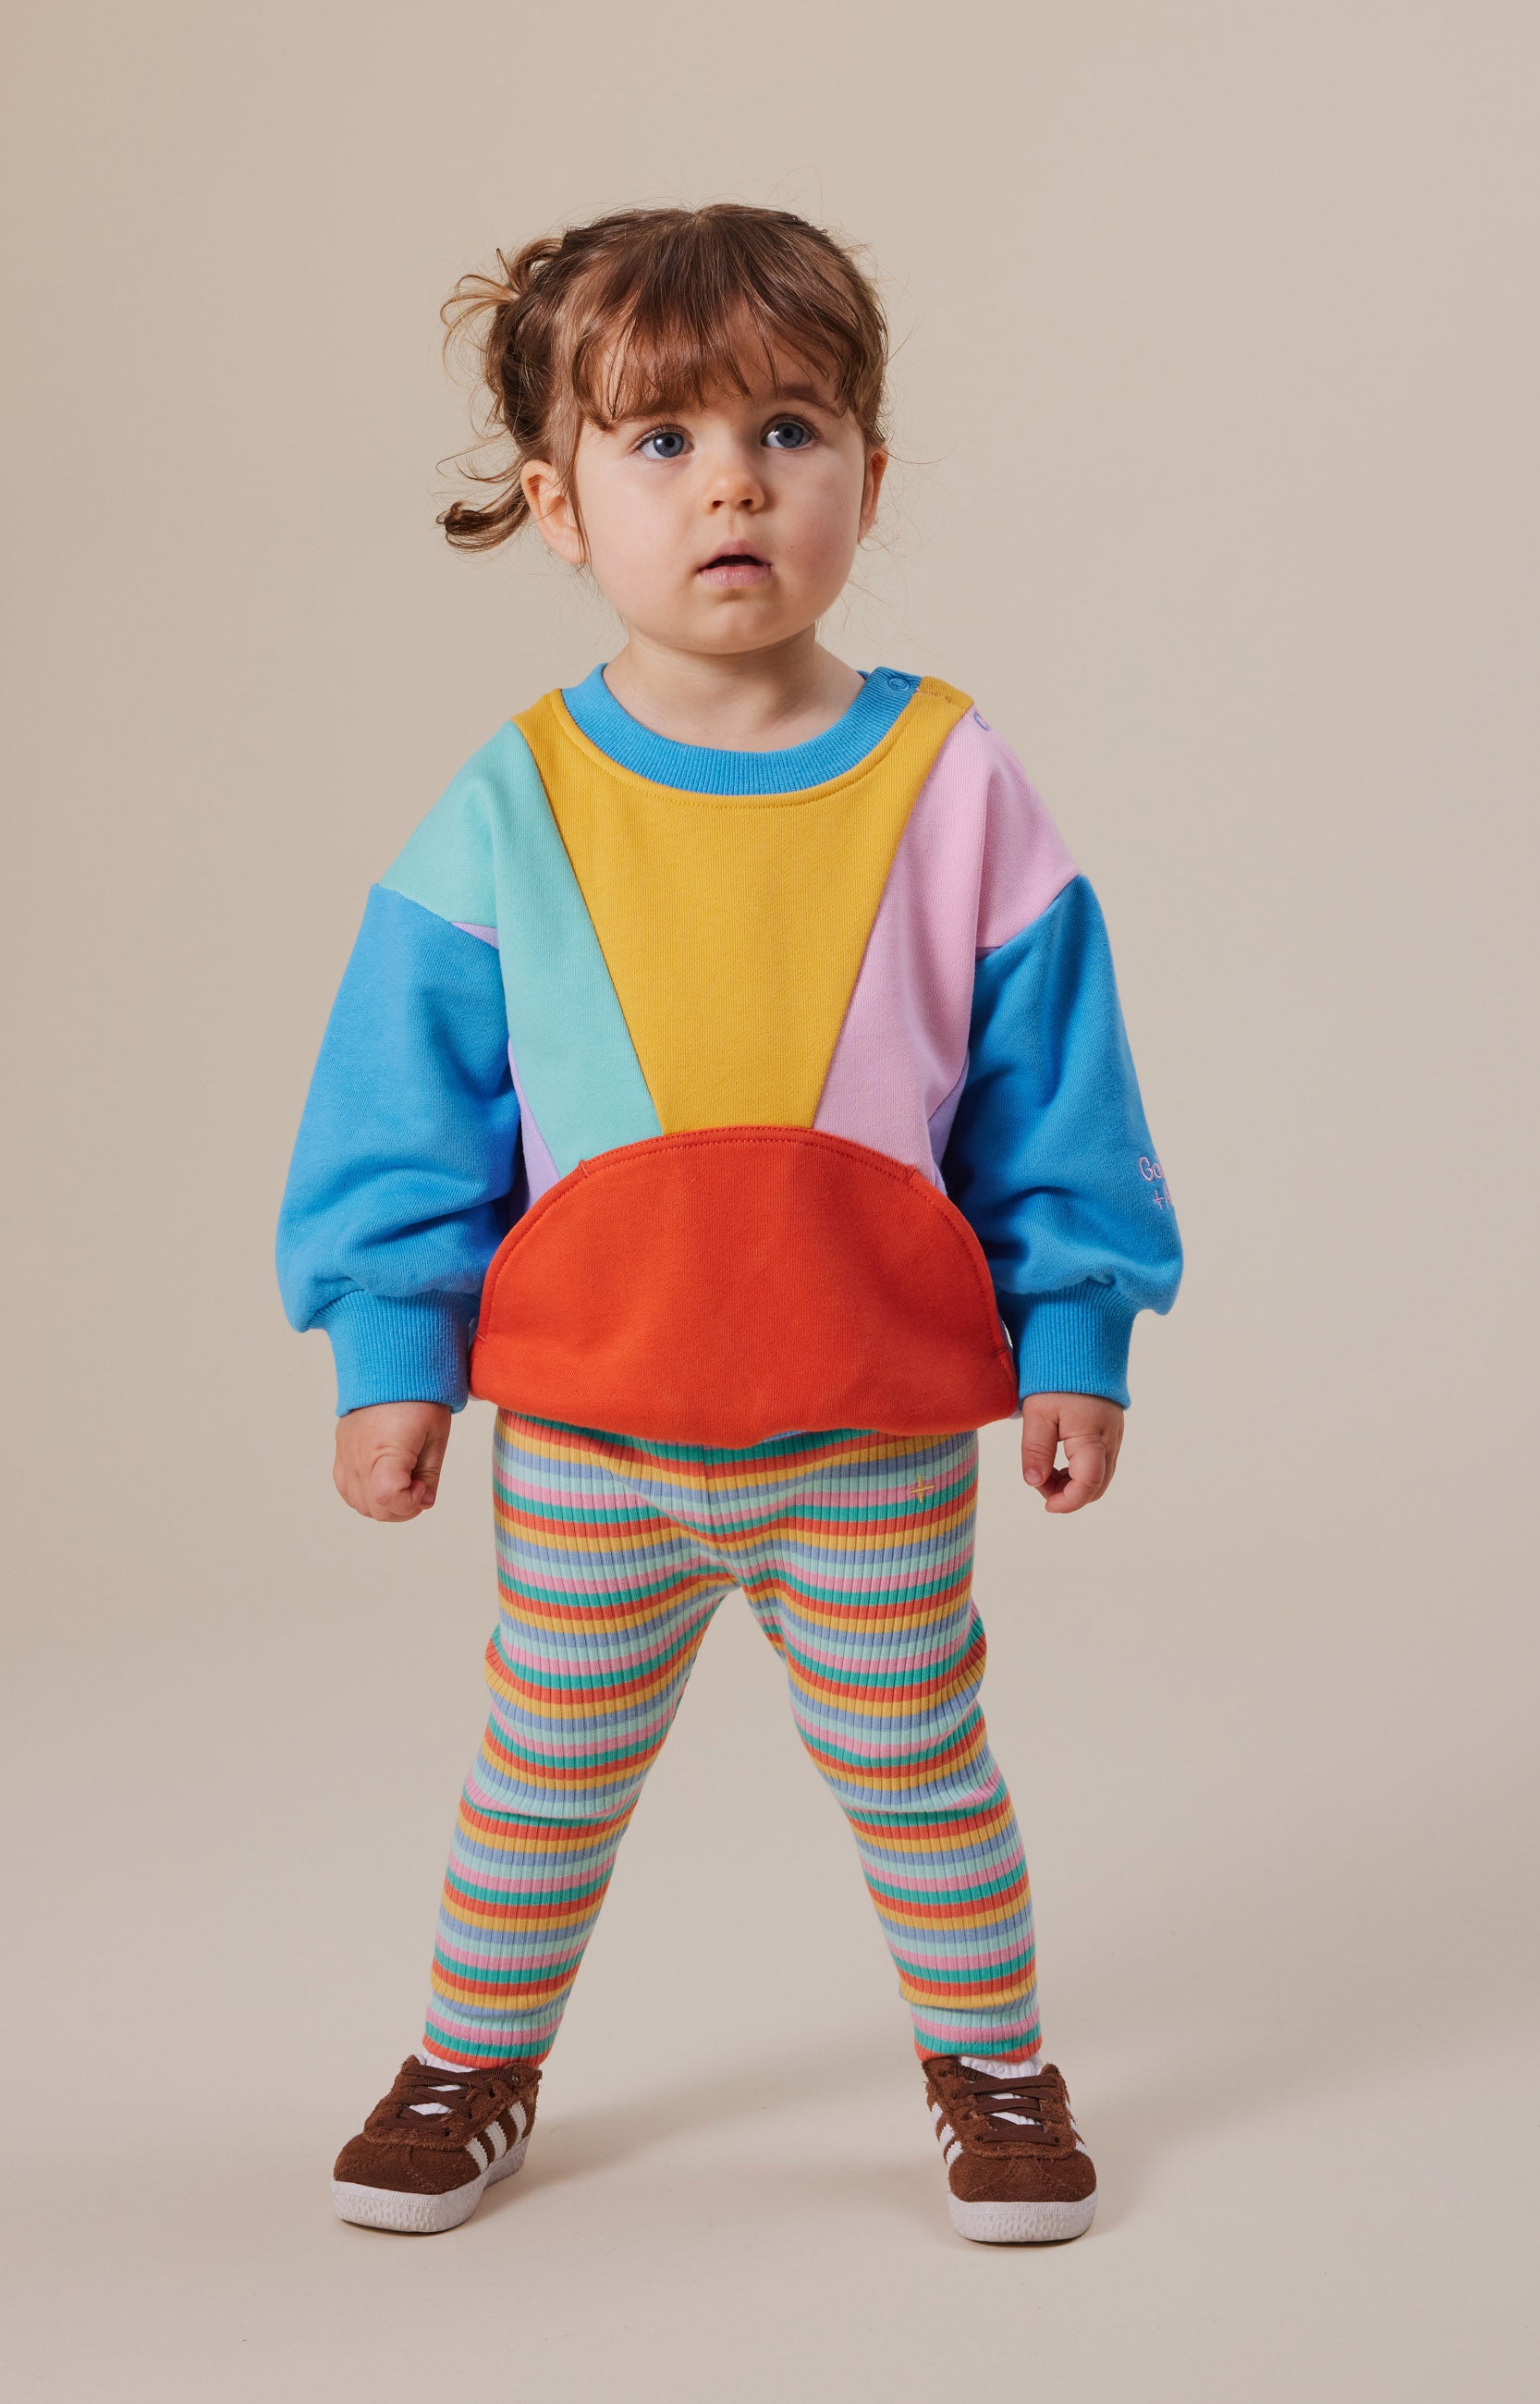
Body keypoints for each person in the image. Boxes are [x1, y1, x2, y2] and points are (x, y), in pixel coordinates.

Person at [276, 202, 1182, 2242]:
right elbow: (402, 1119)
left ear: (867, 464)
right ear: (555, 503)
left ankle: (994, 2066)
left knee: (921, 1770)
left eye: (788, 426)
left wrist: (1077, 1335)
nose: (733, 484)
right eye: (660, 443)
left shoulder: (953, 780)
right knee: (541, 1777)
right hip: (597, 1432)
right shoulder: (507, 803)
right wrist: (389, 1353)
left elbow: (1058, 1096)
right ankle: (470, 2062)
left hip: (865, 1428)